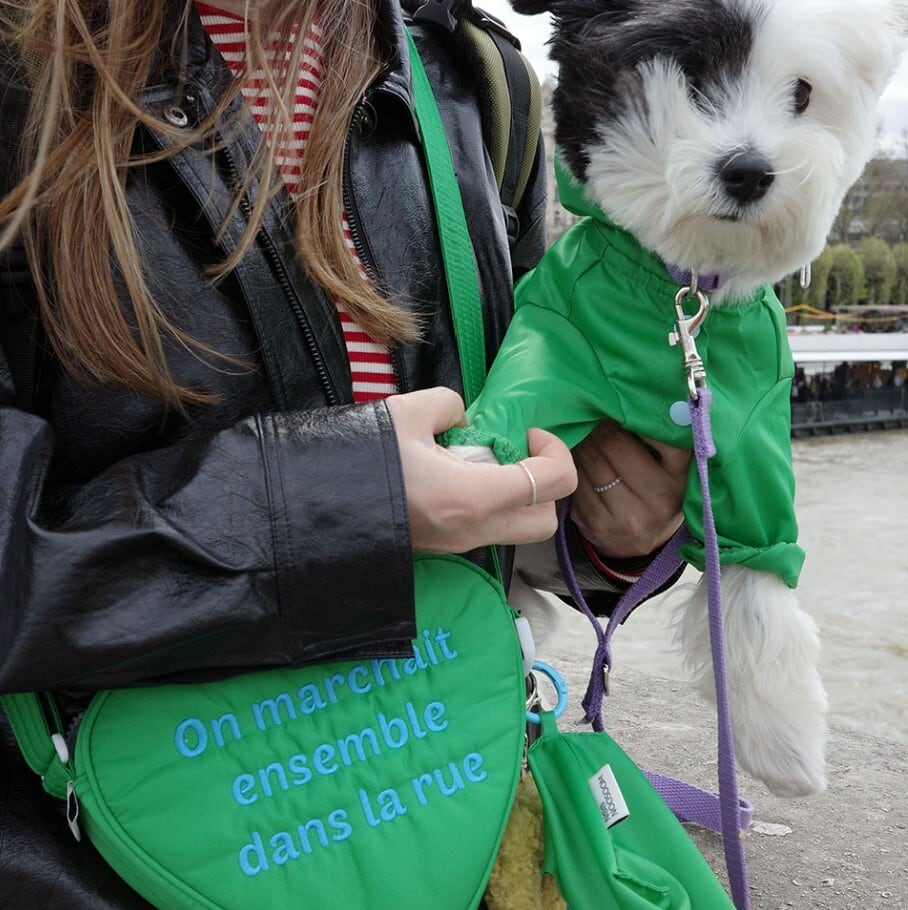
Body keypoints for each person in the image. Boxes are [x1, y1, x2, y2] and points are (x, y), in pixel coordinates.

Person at [0, 0, 689, 905]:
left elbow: (508, 465)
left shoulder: (481, 83)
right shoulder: (19, 67)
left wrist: (606, 530)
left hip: (438, 805)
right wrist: (348, 505)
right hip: (105, 860)